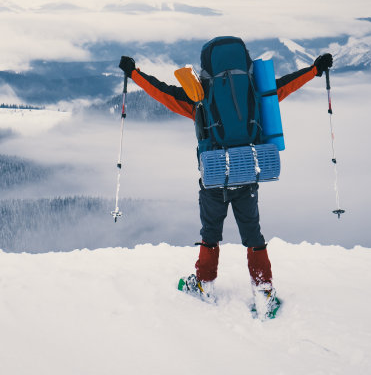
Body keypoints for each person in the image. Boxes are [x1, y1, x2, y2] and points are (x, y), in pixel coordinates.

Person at [119, 45, 333, 316]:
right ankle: (264, 291)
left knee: (210, 232)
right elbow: (284, 87)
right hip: (247, 172)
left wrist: (134, 73)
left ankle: (205, 285)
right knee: (253, 233)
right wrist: (315, 69)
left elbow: (161, 92)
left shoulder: (198, 97)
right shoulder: (253, 91)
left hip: (214, 177)